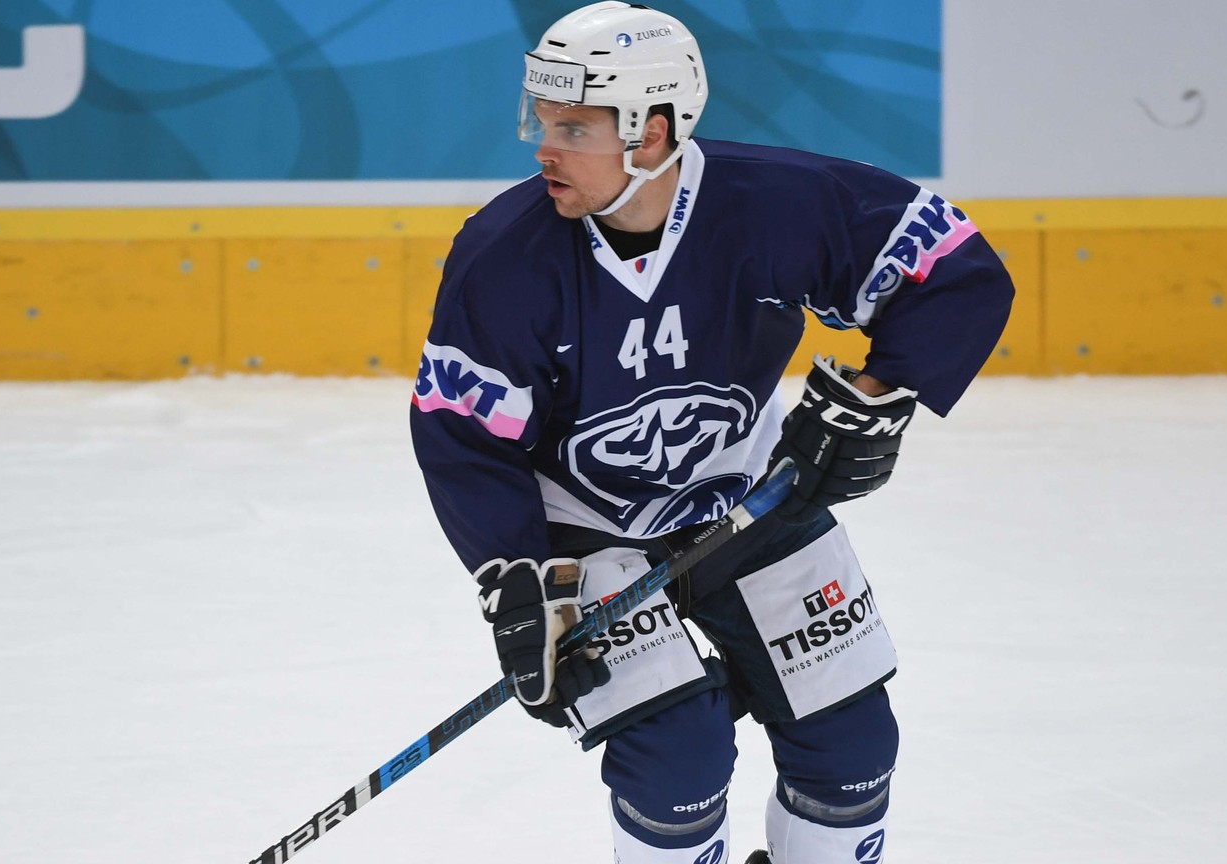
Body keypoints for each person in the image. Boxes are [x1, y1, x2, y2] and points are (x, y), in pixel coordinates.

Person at [409, 3, 1013, 862]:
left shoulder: (773, 204)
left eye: (573, 126)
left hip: (754, 494)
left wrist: (876, 395)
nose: (543, 146)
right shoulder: (505, 253)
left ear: (651, 132)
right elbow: (463, 431)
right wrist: (515, 574)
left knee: (851, 750)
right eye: (542, 120)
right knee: (677, 759)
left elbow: (950, 267)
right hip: (587, 528)